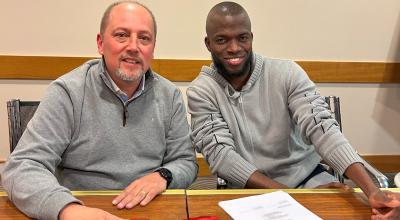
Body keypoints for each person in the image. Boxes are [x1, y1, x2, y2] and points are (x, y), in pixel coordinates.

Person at [187, 1, 400, 219]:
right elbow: (222, 156)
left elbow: (323, 129)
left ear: (251, 37)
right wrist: (291, 196)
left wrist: (372, 191)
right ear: (208, 43)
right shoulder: (201, 91)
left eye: (242, 37)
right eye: (222, 40)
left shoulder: (287, 73)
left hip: (309, 179)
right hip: (248, 190)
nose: (234, 48)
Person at [1, 1, 197, 219]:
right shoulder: (68, 92)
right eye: (122, 35)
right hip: (81, 208)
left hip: (151, 210)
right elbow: (21, 167)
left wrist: (163, 175)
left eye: (144, 38)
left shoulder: (170, 96)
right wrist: (68, 210)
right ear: (100, 43)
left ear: (152, 48)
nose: (134, 46)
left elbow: (186, 161)